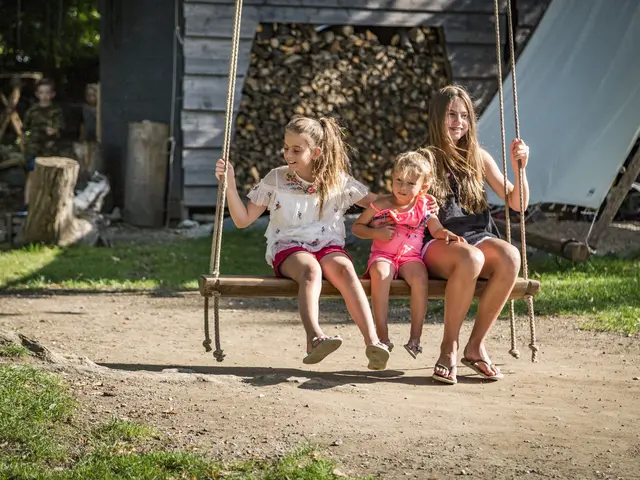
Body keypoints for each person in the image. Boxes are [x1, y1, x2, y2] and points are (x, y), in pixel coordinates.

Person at [215, 115, 390, 370]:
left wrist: (409, 198)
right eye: (286, 148)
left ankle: (373, 342)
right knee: (310, 270)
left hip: (327, 245)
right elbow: (242, 220)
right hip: (288, 246)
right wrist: (229, 185)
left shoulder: (337, 181)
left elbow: (376, 202)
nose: (288, 154)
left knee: (345, 269)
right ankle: (314, 337)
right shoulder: (276, 179)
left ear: (316, 151)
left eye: (297, 149)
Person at [422, 85, 530, 384]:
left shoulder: (478, 157)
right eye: (451, 115)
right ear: (436, 117)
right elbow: (410, 204)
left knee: (510, 255)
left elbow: (517, 203)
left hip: (475, 237)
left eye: (464, 115)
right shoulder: (424, 159)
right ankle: (449, 348)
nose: (458, 121)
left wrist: (520, 168)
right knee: (470, 258)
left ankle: (475, 345)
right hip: (435, 240)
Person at [352, 150, 462, 359]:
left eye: (410, 183)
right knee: (381, 274)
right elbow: (357, 227)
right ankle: (382, 338)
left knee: (420, 278)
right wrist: (376, 233)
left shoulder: (424, 206)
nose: (402, 188)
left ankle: (415, 339)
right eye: (398, 180)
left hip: (410, 258)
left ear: (424, 187)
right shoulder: (382, 204)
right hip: (383, 255)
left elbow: (436, 228)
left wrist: (445, 234)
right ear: (392, 178)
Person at [22, 78, 65, 209]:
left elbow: (61, 128)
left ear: (53, 94)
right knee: (32, 175)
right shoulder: (32, 111)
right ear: (37, 94)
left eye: (47, 93)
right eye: (41, 92)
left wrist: (54, 131)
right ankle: (27, 204)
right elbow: (24, 130)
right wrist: (24, 145)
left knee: (50, 177)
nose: (44, 96)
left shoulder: (57, 111)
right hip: (34, 149)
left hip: (50, 149)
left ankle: (49, 205)